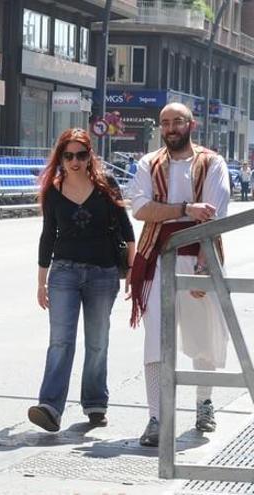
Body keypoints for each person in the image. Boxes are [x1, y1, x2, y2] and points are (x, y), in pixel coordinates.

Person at [126, 103, 230, 447]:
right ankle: (156, 417)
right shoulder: (148, 163)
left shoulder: (212, 162)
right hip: (158, 258)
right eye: (165, 122)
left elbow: (215, 215)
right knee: (156, 337)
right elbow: (140, 208)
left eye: (177, 122)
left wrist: (203, 262)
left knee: (203, 337)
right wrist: (185, 209)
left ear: (191, 124)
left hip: (198, 256)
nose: (170, 128)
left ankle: (204, 404)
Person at [27, 128, 136, 433]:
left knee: (98, 341)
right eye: (68, 155)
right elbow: (48, 236)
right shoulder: (53, 190)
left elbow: (126, 229)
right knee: (60, 342)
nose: (75, 161)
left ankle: (95, 402)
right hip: (64, 272)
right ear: (60, 158)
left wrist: (133, 270)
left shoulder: (106, 186)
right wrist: (41, 281)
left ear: (90, 156)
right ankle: (50, 406)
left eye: (81, 155)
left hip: (102, 273)